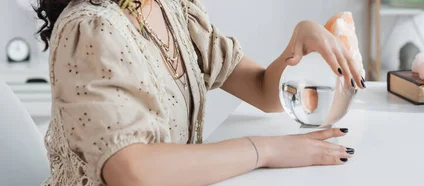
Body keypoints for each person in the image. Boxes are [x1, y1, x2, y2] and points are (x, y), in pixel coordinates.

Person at [34, 0, 366, 185]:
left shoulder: (172, 9)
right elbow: (131, 172)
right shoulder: (92, 27)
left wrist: (302, 37)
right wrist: (264, 151)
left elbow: (264, 91)